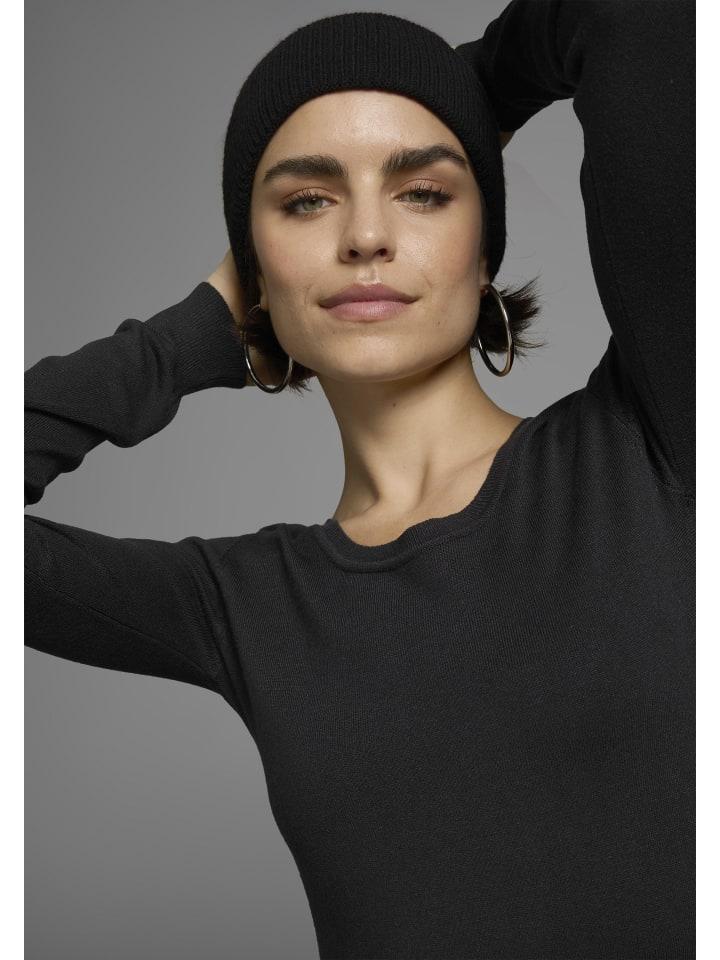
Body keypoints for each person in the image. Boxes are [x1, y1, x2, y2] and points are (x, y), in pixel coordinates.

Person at [25, 2, 694, 958]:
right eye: (307, 200)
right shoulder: (244, 607)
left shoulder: (658, 441)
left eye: (423, 190)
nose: (367, 235)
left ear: (485, 248)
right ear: (252, 268)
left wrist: (471, 95)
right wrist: (192, 337)